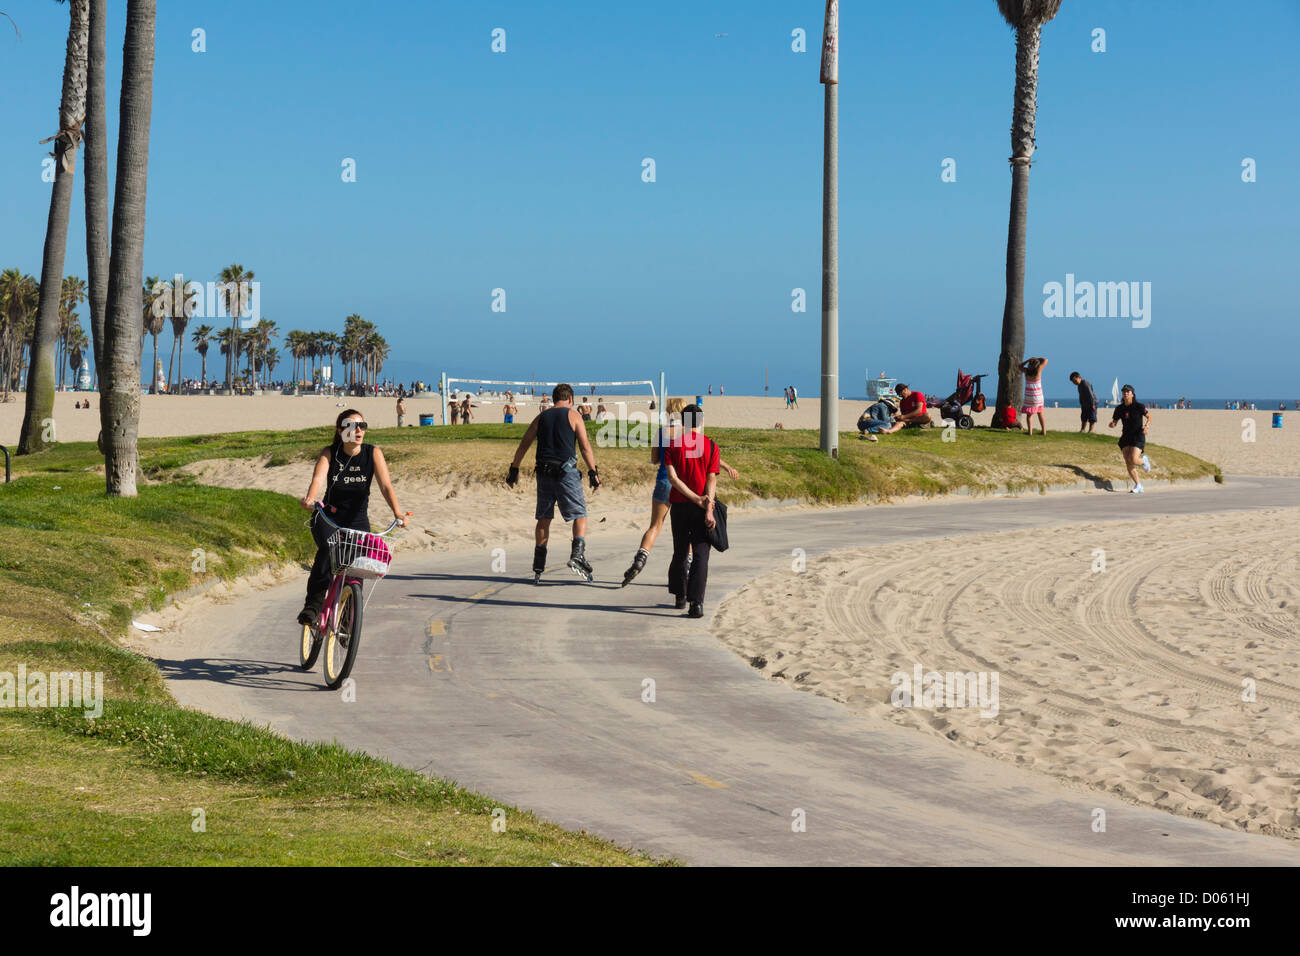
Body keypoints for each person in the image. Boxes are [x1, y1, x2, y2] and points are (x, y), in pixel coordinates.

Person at [296, 410, 409, 624]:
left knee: (358, 569)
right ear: (341, 431)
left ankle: (348, 623)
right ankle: (312, 607)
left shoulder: (372, 452)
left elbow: (385, 486)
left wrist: (398, 513)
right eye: (352, 425)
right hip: (328, 518)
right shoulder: (330, 452)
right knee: (329, 551)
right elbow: (319, 478)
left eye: (362, 425)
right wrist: (310, 499)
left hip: (357, 521)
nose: (358, 430)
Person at [622, 398, 738, 586]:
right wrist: (725, 466)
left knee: (655, 526)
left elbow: (654, 459)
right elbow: (706, 455)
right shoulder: (688, 432)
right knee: (691, 531)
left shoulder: (662, 431)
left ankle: (640, 560)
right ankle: (687, 569)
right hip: (684, 485)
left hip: (664, 481)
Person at [507, 383, 602, 583]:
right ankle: (577, 555)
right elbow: (585, 447)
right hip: (566, 473)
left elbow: (524, 443)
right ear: (569, 399)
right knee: (580, 514)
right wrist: (594, 473)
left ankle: (538, 566)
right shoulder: (574, 416)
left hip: (543, 473)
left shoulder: (541, 417)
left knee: (544, 518)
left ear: (553, 398)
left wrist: (514, 469)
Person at [662, 404, 720, 618]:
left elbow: (673, 479)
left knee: (680, 551)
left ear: (684, 423)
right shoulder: (712, 447)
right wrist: (707, 506)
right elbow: (711, 479)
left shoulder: (672, 446)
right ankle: (696, 603)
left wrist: (694, 499)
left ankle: (680, 596)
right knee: (701, 553)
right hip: (702, 505)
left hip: (679, 505)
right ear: (702, 422)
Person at [1108, 384, 1152, 493]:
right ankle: (1138, 485)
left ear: (1132, 394)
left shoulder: (1139, 406)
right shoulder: (1119, 408)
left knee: (1133, 459)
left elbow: (1149, 417)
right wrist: (1112, 424)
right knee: (1128, 462)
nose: (1125, 393)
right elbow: (1115, 421)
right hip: (1125, 436)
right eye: (1124, 392)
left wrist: (1146, 426)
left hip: (1138, 435)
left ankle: (1144, 461)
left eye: (1128, 392)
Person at [1019, 356, 1048, 435]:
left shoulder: (1026, 372)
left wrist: (1028, 359)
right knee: (1040, 413)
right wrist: (1037, 359)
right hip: (1038, 396)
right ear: (1037, 366)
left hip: (1029, 397)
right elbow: (1045, 360)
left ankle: (1030, 432)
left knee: (1029, 415)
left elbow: (1019, 366)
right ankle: (1043, 431)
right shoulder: (1038, 371)